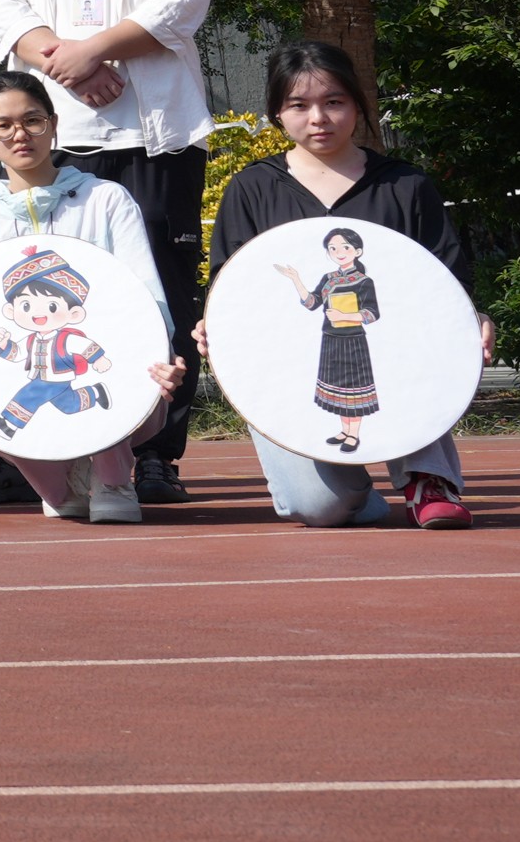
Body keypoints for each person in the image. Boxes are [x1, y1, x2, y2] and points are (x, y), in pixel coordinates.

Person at [0, 0, 217, 503]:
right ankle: (24, 453)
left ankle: (157, 455)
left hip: (156, 138)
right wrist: (69, 65)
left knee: (161, 289)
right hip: (51, 143)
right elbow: (3, 9)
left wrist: (92, 51)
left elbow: (180, 5)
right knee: (33, 290)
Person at [202, 41, 482, 530]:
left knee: (412, 349)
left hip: (393, 348)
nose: (319, 118)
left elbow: (445, 279)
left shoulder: (404, 186)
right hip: (288, 363)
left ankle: (428, 479)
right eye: (299, 105)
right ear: (277, 113)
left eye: (334, 102)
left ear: (357, 104)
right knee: (319, 508)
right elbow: (231, 285)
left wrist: (473, 317)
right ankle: (356, 494)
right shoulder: (252, 188)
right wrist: (213, 325)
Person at [0, 72, 173, 524]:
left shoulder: (105, 199)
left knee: (129, 373)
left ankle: (113, 480)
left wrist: (160, 351)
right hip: (29, 365)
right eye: (3, 125)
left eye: (32, 120)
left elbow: (144, 296)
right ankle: (59, 486)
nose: (20, 134)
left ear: (54, 124)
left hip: (92, 363)